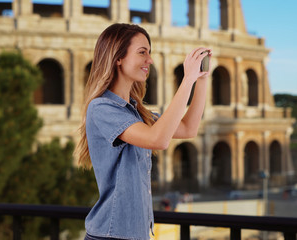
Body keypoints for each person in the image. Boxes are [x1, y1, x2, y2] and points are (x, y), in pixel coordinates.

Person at [74, 23, 212, 240]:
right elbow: (158, 139)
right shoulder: (101, 108)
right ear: (118, 58)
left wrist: (201, 79)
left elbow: (188, 128)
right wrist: (186, 80)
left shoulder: (136, 113)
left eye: (150, 52)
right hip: (111, 235)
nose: (150, 60)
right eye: (142, 52)